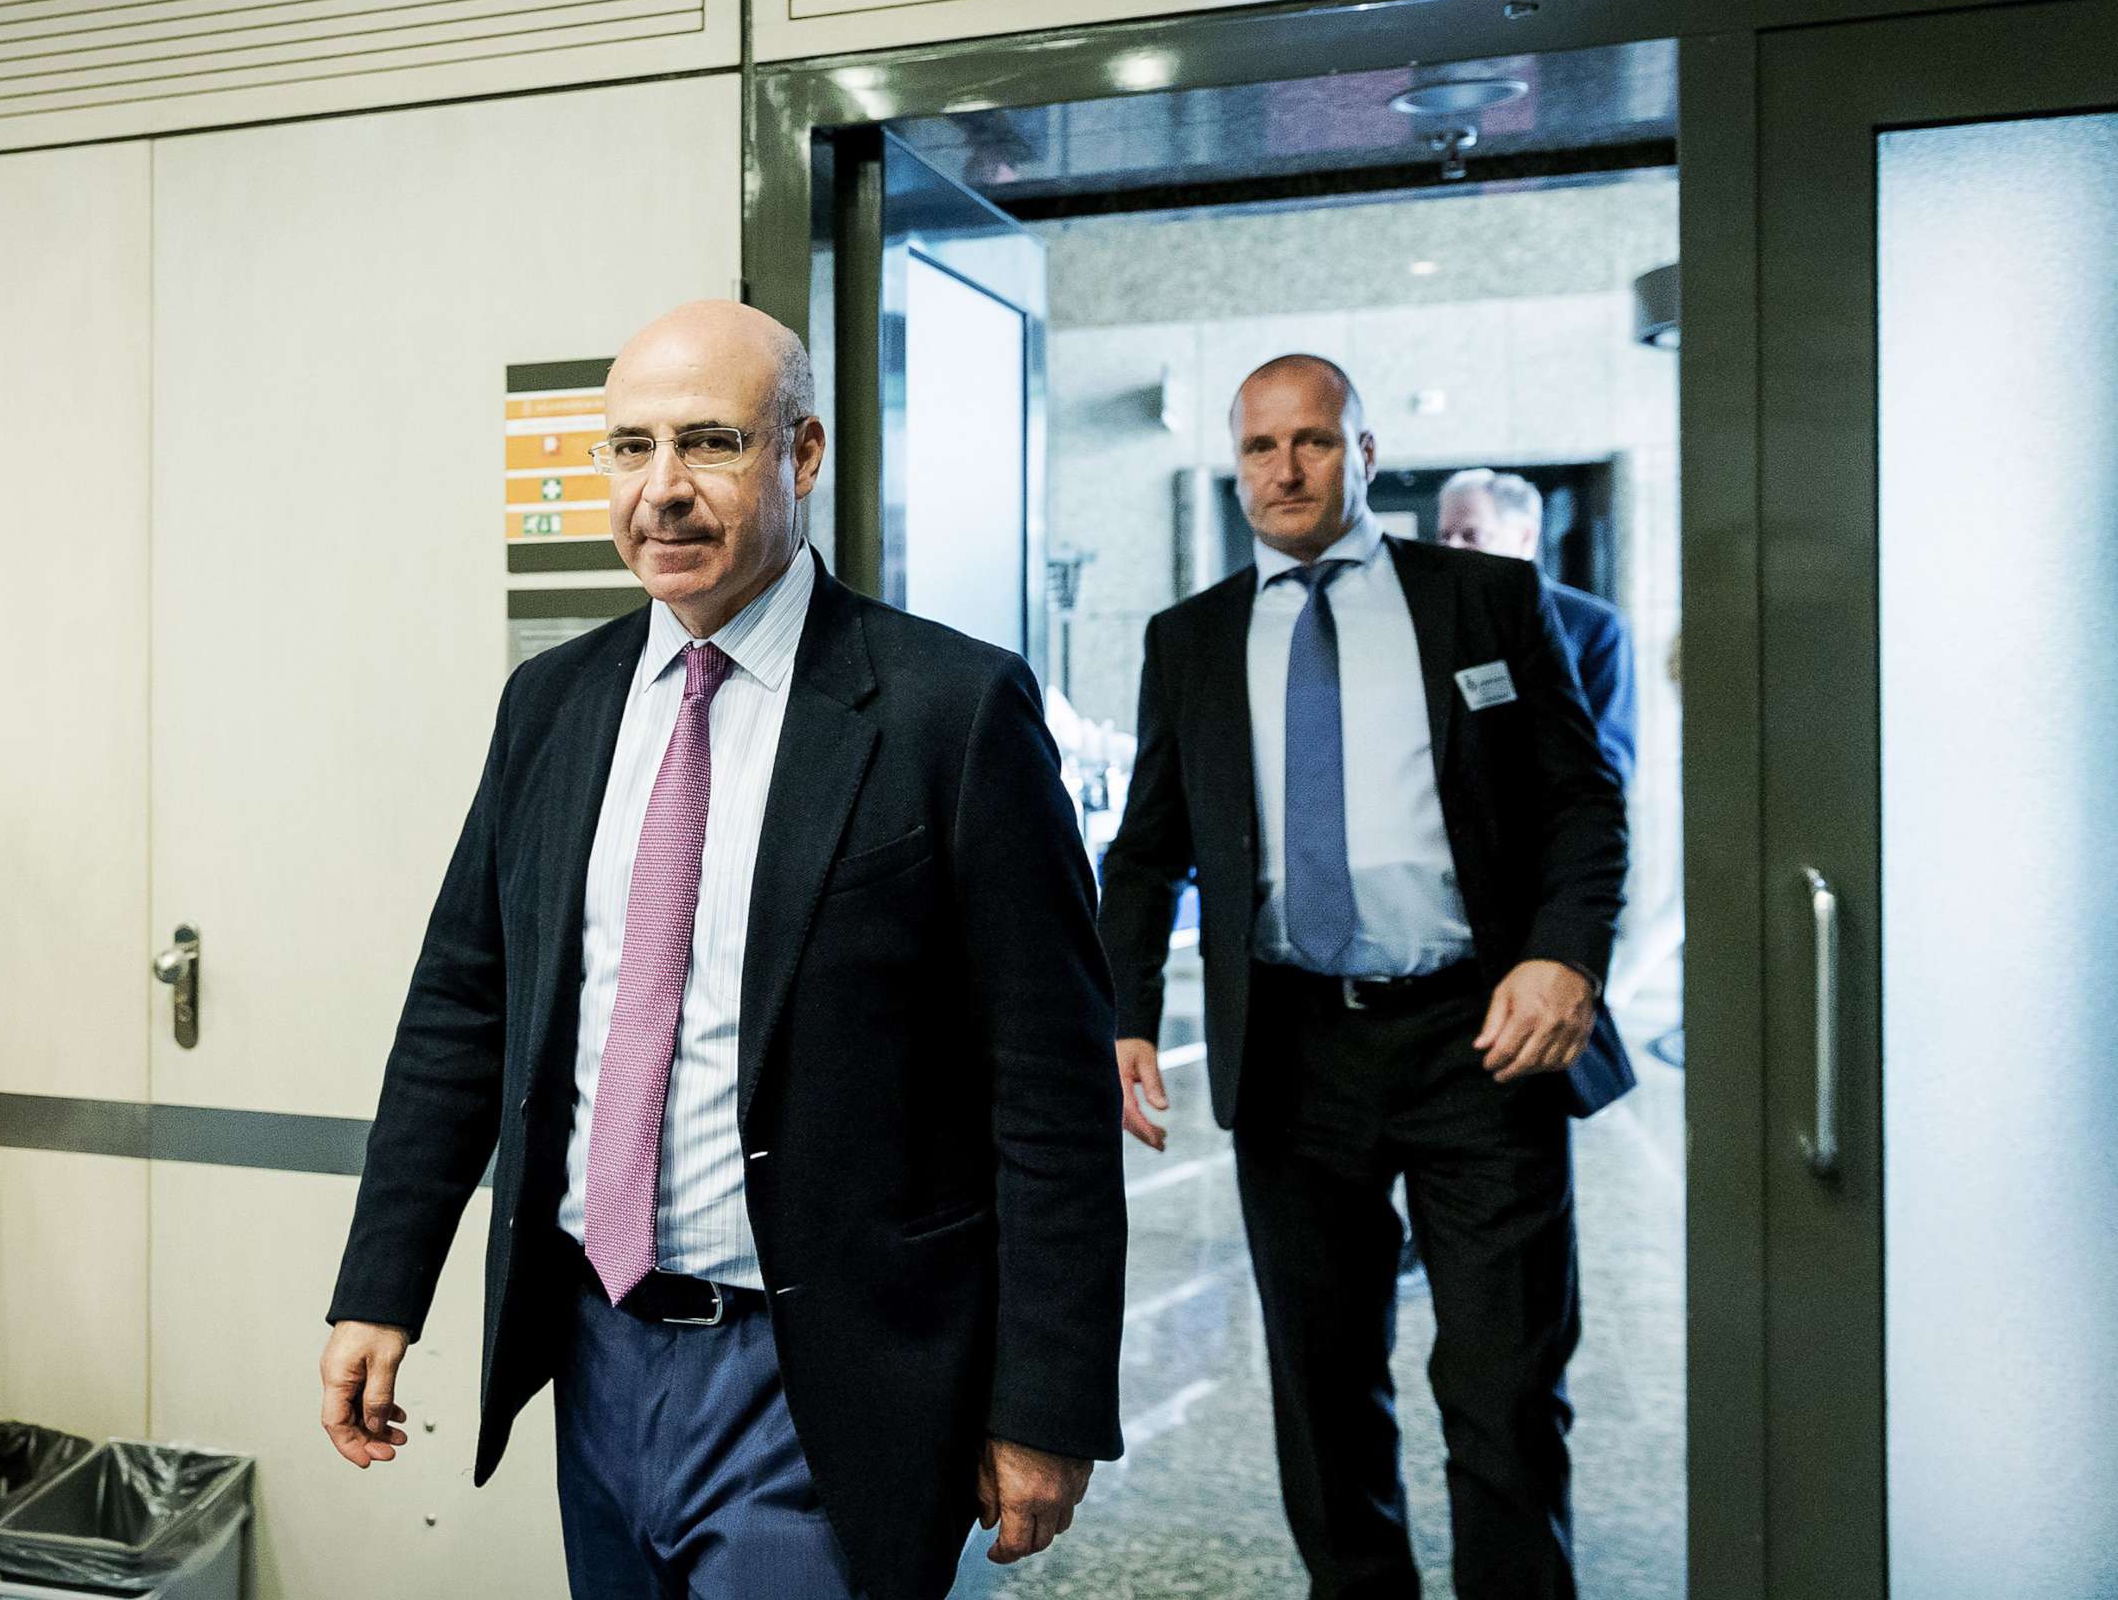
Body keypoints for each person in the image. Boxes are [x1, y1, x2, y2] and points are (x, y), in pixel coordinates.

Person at [320, 301, 1126, 1600]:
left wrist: (1047, 1395)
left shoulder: (948, 710)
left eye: (710, 443)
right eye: (630, 447)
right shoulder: (556, 701)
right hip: (594, 1343)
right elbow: (464, 1004)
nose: (664, 490)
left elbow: (1049, 1083)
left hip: (818, 1368)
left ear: (802, 455)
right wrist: (381, 1282)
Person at [1099, 355, 1631, 1600]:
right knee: (1326, 1388)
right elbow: (1147, 847)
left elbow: (1581, 802)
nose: (1286, 470)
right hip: (1294, 1052)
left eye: (1314, 441)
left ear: (1367, 453)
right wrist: (1123, 1011)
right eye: (1261, 449)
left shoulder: (1485, 600)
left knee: (1503, 1387)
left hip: (1476, 1037)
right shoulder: (1193, 638)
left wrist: (1563, 955)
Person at [1436, 468, 1637, 787]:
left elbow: (1611, 761)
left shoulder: (1595, 627)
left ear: (1525, 537)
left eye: (1471, 536)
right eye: (1445, 536)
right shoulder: (1439, 625)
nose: (1451, 549)